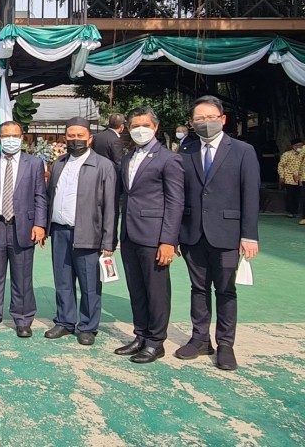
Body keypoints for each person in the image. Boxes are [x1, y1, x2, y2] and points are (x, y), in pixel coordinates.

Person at [176, 95, 260, 371]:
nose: (205, 123)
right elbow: (178, 195)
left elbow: (250, 195)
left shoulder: (243, 151)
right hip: (192, 233)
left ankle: (225, 344)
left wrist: (249, 235)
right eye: (199, 119)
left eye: (210, 117)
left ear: (222, 119)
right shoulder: (185, 151)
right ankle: (200, 339)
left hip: (227, 233)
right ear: (192, 123)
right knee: (198, 288)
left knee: (225, 290)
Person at [114, 106, 184, 364]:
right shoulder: (127, 158)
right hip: (129, 234)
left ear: (155, 127)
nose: (140, 130)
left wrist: (168, 240)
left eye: (145, 125)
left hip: (154, 236)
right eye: (135, 126)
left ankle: (156, 342)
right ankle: (140, 335)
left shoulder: (168, 159)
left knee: (156, 291)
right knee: (137, 289)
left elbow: (175, 202)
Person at [44, 116, 116, 345]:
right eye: (71, 136)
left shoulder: (103, 166)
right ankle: (65, 321)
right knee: (63, 280)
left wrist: (108, 241)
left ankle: (87, 326)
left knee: (89, 283)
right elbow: (49, 196)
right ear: (65, 138)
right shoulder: (59, 164)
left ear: (90, 138)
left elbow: (111, 206)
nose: (75, 140)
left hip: (88, 233)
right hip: (59, 232)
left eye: (80, 136)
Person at [0, 121, 47, 337]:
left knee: (22, 275)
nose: (11, 140)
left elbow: (40, 196)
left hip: (22, 226)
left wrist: (40, 224)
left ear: (22, 138)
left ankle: (23, 319)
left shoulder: (34, 163)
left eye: (15, 136)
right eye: (6, 136)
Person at [278, 138, 303, 218]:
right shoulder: (287, 154)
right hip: (289, 178)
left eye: (301, 145)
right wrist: (282, 176)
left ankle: (296, 212)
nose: (299, 147)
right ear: (293, 146)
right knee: (290, 195)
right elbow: (281, 166)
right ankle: (290, 211)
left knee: (298, 196)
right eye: (297, 145)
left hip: (300, 178)